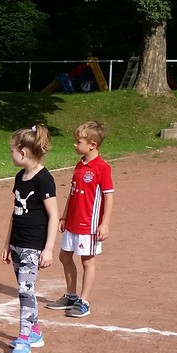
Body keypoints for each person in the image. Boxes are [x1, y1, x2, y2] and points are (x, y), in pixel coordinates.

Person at [46, 121, 114, 318]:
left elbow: (109, 196)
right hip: (73, 222)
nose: (75, 144)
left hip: (89, 224)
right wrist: (65, 216)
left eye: (79, 142)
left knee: (87, 261)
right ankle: (71, 296)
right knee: (64, 256)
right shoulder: (80, 164)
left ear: (92, 145)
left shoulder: (102, 168)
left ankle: (84, 301)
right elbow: (73, 192)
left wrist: (105, 223)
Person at [4, 124, 59, 353]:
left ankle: (24, 339)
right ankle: (35, 332)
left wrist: (48, 249)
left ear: (23, 152)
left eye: (12, 151)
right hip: (18, 242)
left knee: (25, 291)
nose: (10, 155)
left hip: (33, 244)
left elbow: (54, 215)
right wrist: (7, 244)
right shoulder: (20, 177)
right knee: (25, 289)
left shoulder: (44, 179)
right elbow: (15, 212)